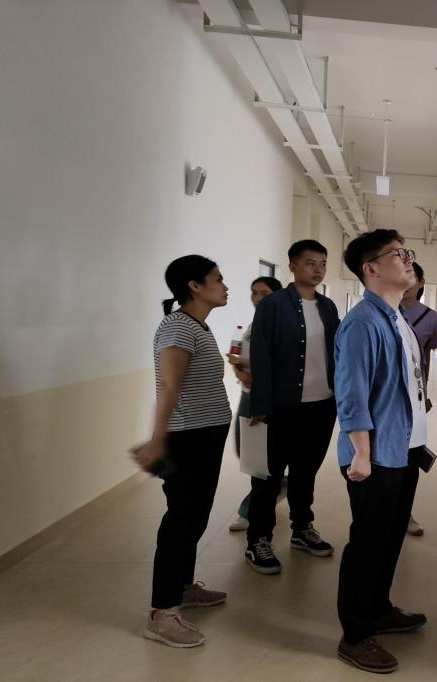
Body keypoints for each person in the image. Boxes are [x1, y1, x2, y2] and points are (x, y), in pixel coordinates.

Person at [334, 229, 428, 674]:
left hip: (401, 449)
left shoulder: (395, 317)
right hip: (374, 456)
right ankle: (354, 635)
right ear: (370, 268)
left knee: (389, 540)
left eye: (407, 252)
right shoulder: (363, 323)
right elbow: (351, 394)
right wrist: (360, 453)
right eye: (398, 254)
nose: (408, 259)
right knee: (368, 544)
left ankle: (378, 609)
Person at [133, 255, 233, 648]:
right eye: (217, 279)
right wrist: (158, 440)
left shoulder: (196, 325)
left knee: (195, 516)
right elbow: (169, 386)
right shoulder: (177, 327)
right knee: (181, 520)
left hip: (205, 434)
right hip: (188, 436)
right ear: (194, 286)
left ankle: (182, 586)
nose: (225, 286)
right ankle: (162, 613)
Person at [244, 240, 340, 574]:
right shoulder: (273, 305)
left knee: (305, 472)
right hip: (280, 407)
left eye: (323, 263)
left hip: (321, 406)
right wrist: (260, 404)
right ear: (293, 266)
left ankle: (302, 528)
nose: (317, 269)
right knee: (268, 477)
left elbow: (336, 354)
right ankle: (258, 539)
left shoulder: (328, 307)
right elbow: (260, 354)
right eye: (310, 262)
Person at [227, 276, 284, 533]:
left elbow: (278, 364)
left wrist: (248, 371)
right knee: (246, 453)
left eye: (264, 293)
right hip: (247, 393)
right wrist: (238, 369)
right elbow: (246, 358)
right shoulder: (253, 324)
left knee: (258, 460)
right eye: (254, 292)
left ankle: (250, 511)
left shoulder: (279, 324)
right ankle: (279, 486)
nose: (257, 298)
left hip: (265, 397)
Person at [400, 261, 437, 537]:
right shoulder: (385, 311)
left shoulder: (429, 317)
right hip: (387, 397)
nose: (407, 282)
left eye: (413, 277)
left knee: (411, 456)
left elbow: (426, 358)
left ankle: (405, 513)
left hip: (414, 397)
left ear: (422, 283)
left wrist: (424, 394)